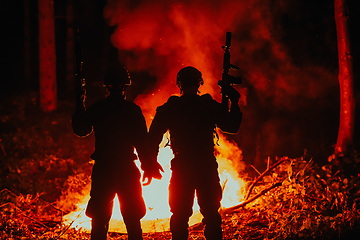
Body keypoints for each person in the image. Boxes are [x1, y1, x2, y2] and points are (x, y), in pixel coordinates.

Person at [148, 66, 242, 240]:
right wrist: (234, 102)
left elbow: (153, 137)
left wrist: (150, 163)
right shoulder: (208, 105)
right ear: (200, 83)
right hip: (205, 166)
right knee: (211, 214)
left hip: (182, 167)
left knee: (179, 214)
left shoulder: (171, 107)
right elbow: (232, 126)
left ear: (179, 84)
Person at [71, 65, 163, 240]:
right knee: (132, 219)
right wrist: (148, 166)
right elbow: (141, 142)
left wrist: (79, 104)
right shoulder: (132, 110)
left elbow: (81, 130)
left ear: (106, 85)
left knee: (99, 220)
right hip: (126, 170)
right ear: (125, 85)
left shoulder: (98, 108)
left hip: (104, 170)